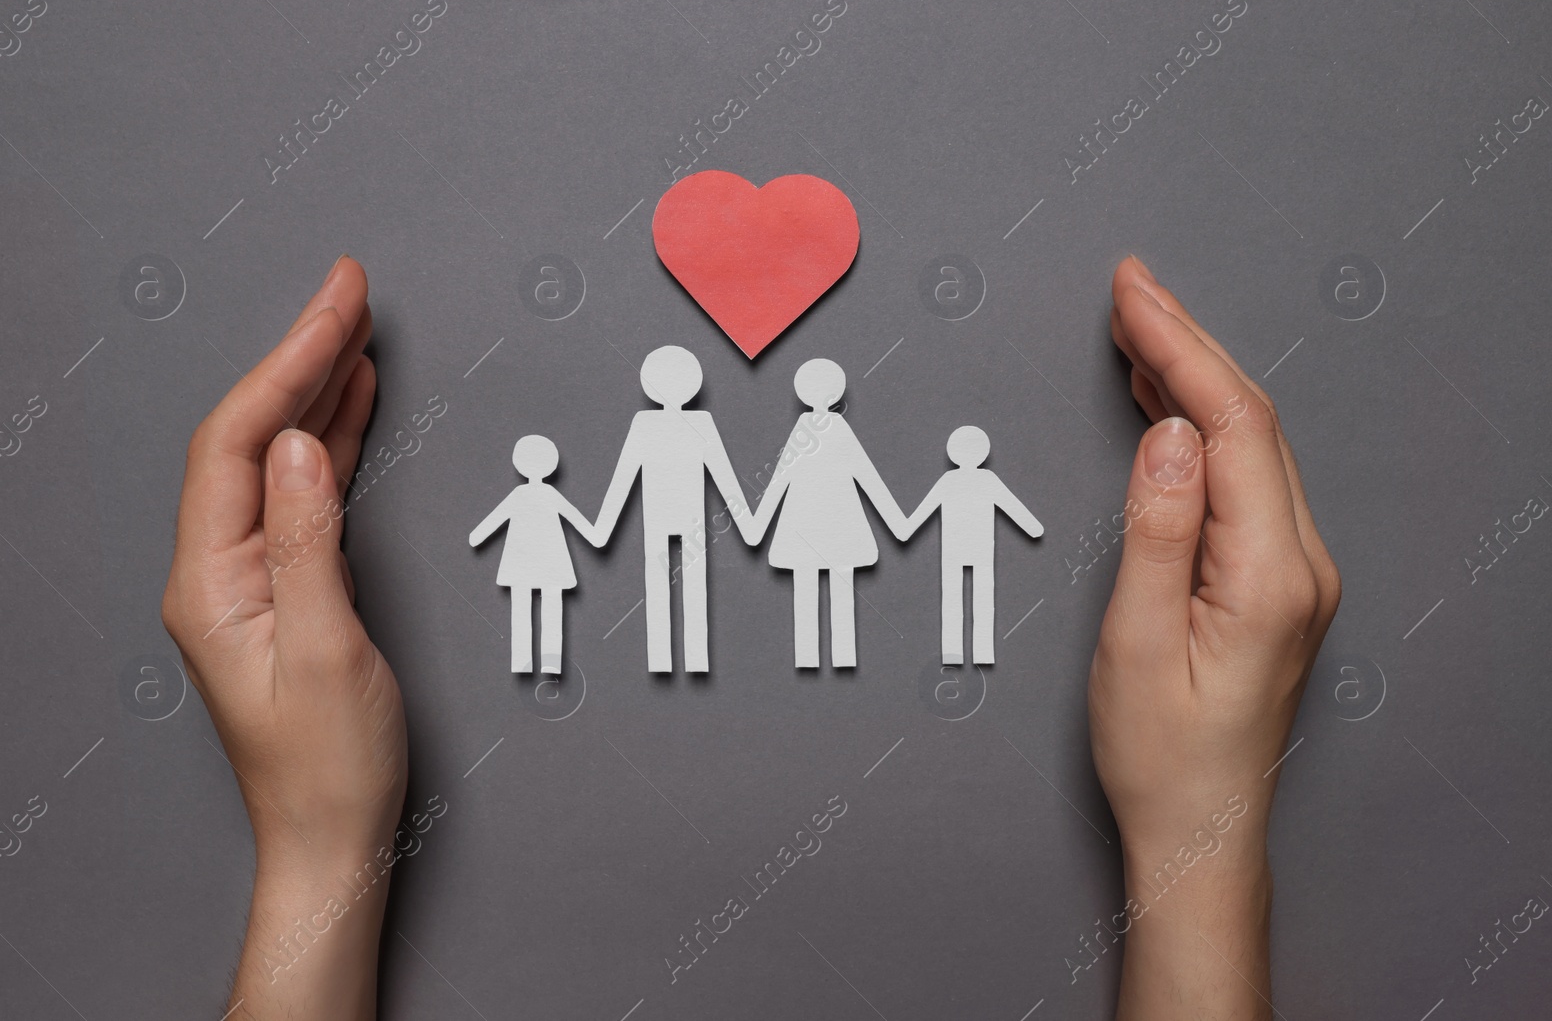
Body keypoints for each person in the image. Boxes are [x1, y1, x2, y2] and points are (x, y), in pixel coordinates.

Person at [160, 254, 1340, 1019]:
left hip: (784, 528)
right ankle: (695, 629)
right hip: (670, 539)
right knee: (669, 601)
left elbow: (775, 481)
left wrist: (318, 848)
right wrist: (1203, 843)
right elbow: (646, 486)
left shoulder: (779, 439)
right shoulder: (682, 440)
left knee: (752, 595)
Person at [591, 344, 754, 673]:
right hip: (687, 518)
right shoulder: (697, 423)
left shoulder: (648, 424)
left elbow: (624, 478)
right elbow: (724, 478)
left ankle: (668, 659)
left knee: (659, 585)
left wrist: (602, 528)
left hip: (666, 518)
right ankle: (690, 659)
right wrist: (748, 525)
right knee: (691, 584)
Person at [744, 357, 910, 669]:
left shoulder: (808, 430)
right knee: (839, 587)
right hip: (838, 527)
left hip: (806, 527)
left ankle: (813, 656)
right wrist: (898, 522)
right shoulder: (831, 428)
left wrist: (756, 524)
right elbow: (865, 476)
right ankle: (837, 655)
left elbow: (782, 477)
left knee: (810, 589)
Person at [899, 425, 1044, 665]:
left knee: (953, 601)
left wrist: (905, 528)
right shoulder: (986, 479)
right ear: (983, 452)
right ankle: (982, 652)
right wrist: (1033, 527)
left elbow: (921, 513)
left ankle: (954, 653)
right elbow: (1013, 507)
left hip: (955, 551)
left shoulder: (950, 480)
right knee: (983, 600)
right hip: (979, 550)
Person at [467, 434, 601, 674]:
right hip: (551, 562)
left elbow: (495, 519)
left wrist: (478, 535)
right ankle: (549, 662)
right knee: (552, 609)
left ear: (520, 463)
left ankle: (524, 662)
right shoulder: (549, 494)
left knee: (522, 610)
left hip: (522, 563)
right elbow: (577, 520)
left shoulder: (522, 494)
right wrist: (595, 535)